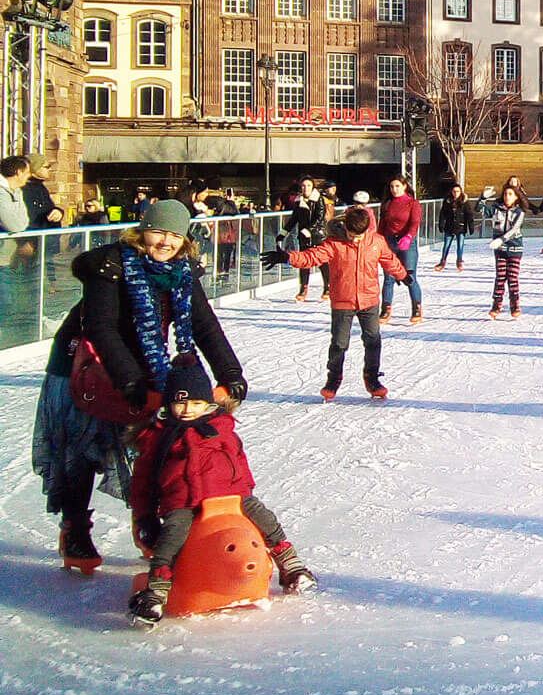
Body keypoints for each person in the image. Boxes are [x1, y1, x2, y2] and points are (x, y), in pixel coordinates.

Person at [33, 199, 245, 573]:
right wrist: (131, 382)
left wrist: (231, 375)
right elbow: (102, 328)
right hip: (83, 370)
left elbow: (205, 327)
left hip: (138, 366)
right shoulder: (111, 267)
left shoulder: (179, 273)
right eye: (159, 231)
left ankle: (146, 524)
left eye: (175, 235)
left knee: (151, 450)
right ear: (142, 229)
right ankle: (76, 528)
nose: (165, 241)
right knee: (83, 451)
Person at [126, 352, 315, 624]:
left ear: (208, 402)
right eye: (181, 403)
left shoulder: (221, 427)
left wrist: (245, 490)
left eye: (196, 402)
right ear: (169, 403)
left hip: (232, 496)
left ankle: (290, 564)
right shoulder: (158, 436)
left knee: (265, 519)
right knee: (171, 538)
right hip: (184, 503)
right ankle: (156, 592)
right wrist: (144, 516)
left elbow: (239, 458)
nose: (189, 409)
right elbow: (142, 481)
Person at [266, 203, 408, 400]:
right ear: (345, 228)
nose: (355, 239)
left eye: (359, 236)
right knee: (339, 343)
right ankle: (333, 378)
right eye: (351, 235)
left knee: (373, 340)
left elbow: (389, 260)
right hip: (343, 301)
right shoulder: (334, 244)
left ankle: (372, 378)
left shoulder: (376, 242)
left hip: (369, 300)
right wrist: (288, 257)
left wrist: (403, 275)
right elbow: (312, 256)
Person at [376, 176, 425, 325]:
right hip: (390, 241)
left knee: (410, 277)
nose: (394, 189)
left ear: (404, 186)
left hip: (407, 243)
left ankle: (416, 307)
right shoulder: (387, 204)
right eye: (392, 187)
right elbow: (382, 225)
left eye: (397, 186)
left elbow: (415, 222)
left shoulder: (412, 203)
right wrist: (379, 241)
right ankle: (386, 308)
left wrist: (409, 236)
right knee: (389, 277)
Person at [286, 178, 330, 302]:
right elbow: (294, 219)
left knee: (322, 262)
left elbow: (319, 218)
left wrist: (309, 230)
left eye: (308, 185)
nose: (306, 188)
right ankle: (303, 288)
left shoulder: (319, 199)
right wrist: (283, 232)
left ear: (313, 187)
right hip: (303, 237)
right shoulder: (298, 201)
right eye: (304, 185)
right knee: (304, 263)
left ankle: (327, 286)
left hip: (318, 236)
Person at [488, 186, 526, 318]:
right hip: (500, 250)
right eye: (505, 194)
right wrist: (482, 197)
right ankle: (496, 304)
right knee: (500, 276)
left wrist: (501, 240)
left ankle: (515, 303)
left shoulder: (519, 212)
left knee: (512, 277)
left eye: (510, 194)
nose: (507, 196)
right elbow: (479, 210)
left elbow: (514, 229)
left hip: (514, 248)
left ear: (516, 197)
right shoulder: (497, 209)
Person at [436, 186, 475, 270]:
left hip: (460, 227)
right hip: (449, 227)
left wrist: (471, 226)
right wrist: (441, 224)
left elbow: (469, 214)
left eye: (457, 191)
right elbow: (443, 214)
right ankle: (442, 261)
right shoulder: (447, 201)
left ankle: (459, 261)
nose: (456, 193)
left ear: (460, 192)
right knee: (446, 245)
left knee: (460, 245)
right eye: (454, 191)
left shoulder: (464, 202)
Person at [0, 155, 32, 233]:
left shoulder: (17, 191)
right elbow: (14, 227)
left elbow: (25, 221)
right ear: (19, 172)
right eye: (27, 172)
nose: (30, 175)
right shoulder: (1, 193)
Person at [24, 154, 56, 229]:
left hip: (47, 236)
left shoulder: (41, 187)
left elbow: (48, 208)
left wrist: (58, 212)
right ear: (35, 168)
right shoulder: (24, 188)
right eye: (47, 167)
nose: (50, 169)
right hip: (34, 237)